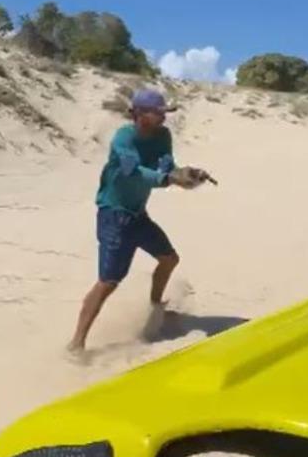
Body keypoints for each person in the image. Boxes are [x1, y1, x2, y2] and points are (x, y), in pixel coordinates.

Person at [66, 88, 206, 357]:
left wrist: (188, 175)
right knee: (108, 281)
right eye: (158, 113)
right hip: (113, 215)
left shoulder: (163, 135)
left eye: (164, 113)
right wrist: (168, 179)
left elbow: (166, 169)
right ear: (140, 114)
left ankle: (154, 310)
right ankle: (76, 343)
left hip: (137, 214)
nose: (164, 118)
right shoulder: (124, 138)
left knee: (169, 258)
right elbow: (134, 171)